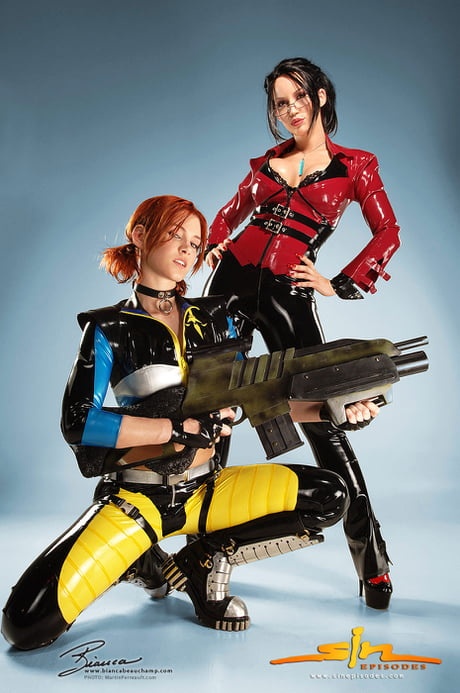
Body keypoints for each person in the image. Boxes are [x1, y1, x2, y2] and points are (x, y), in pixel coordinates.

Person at [1, 194, 380, 651]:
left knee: (330, 494)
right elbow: (79, 421)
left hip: (209, 492)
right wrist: (173, 430)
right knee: (25, 625)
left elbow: (260, 402)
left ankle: (205, 558)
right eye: (174, 234)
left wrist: (337, 411)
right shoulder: (110, 328)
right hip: (138, 499)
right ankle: (145, 561)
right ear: (140, 235)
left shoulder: (218, 319)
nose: (187, 248)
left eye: (197, 242)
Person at [204, 57, 400, 610]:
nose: (290, 110)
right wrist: (216, 241)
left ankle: (373, 565)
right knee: (213, 408)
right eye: (280, 103)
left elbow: (388, 231)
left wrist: (338, 283)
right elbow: (230, 213)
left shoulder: (356, 166)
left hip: (289, 293)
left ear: (319, 97)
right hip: (230, 286)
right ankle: (203, 552)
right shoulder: (267, 164)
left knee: (320, 417)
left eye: (298, 98)